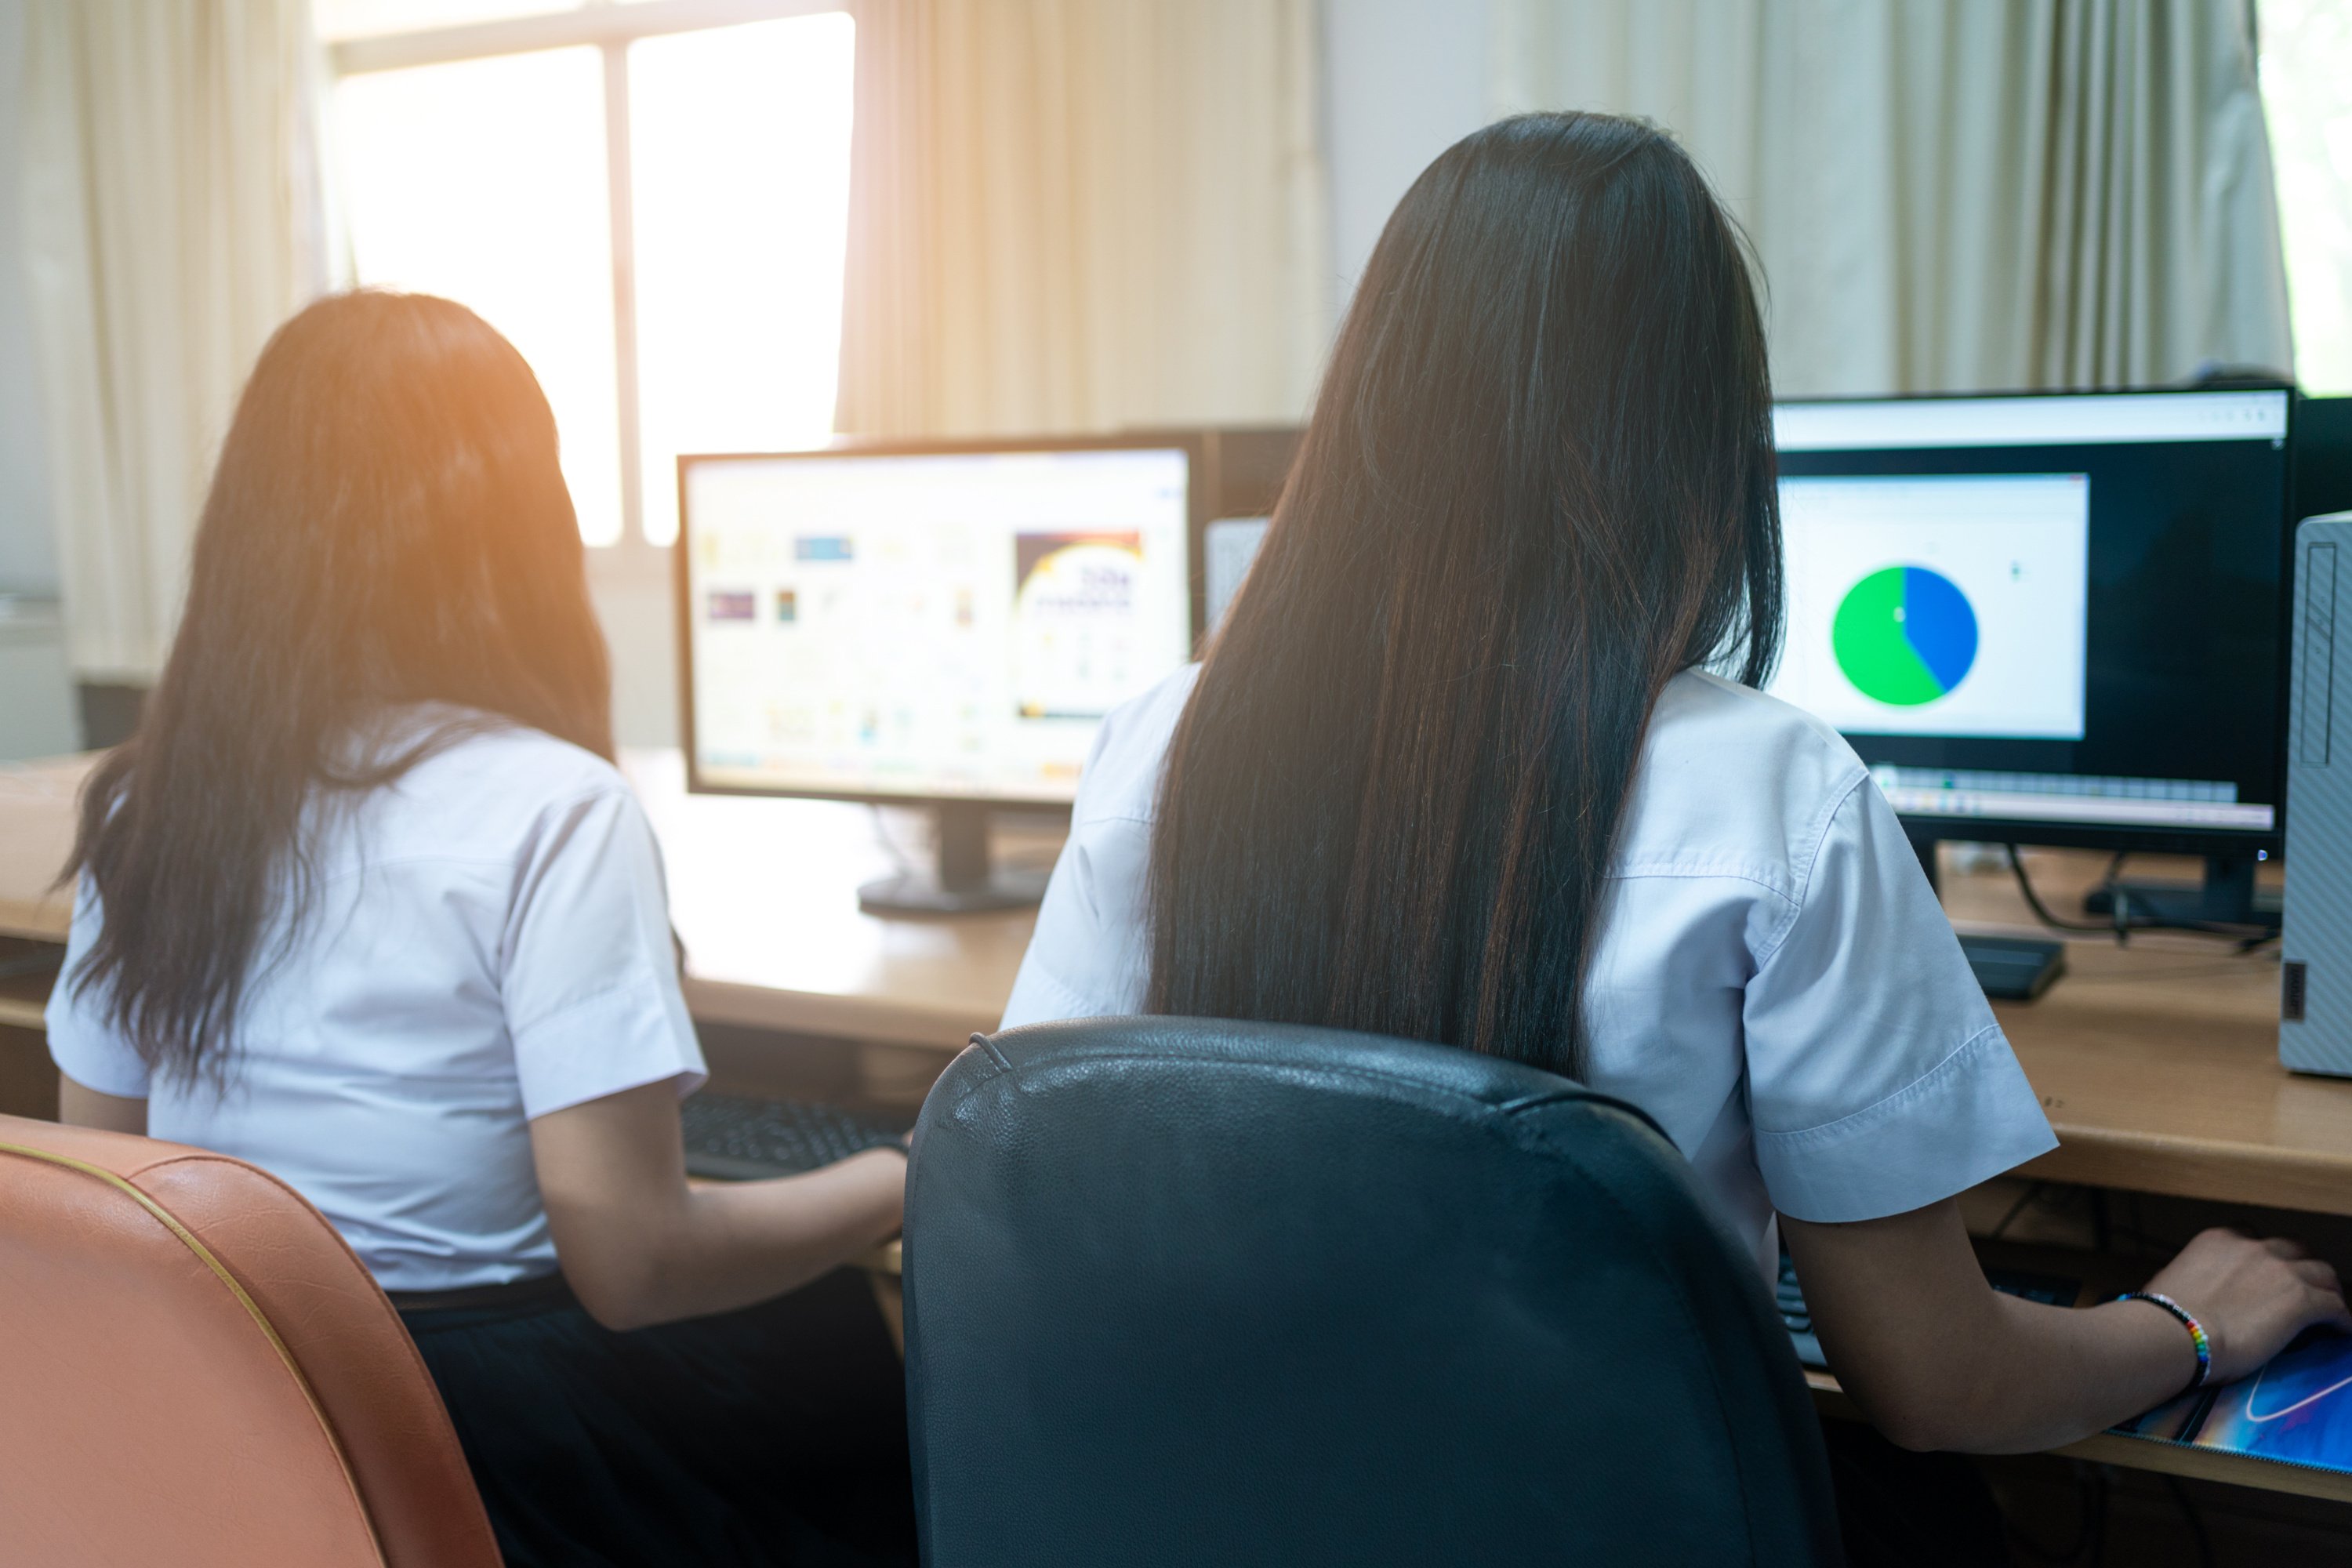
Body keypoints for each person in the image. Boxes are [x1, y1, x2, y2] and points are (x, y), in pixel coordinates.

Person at [999, 113, 2349, 1559]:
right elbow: (1945, 1384)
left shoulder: (1162, 741)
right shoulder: (1773, 792)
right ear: (1699, 437)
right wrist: (2189, 1320)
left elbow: (1037, 1158)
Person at [45, 290, 916, 1568]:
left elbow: (103, 1181)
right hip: (486, 1433)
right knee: (840, 1338)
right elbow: (633, 1264)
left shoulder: (152, 798)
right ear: (516, 529)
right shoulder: (553, 806)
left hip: (244, 1406)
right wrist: (911, 1170)